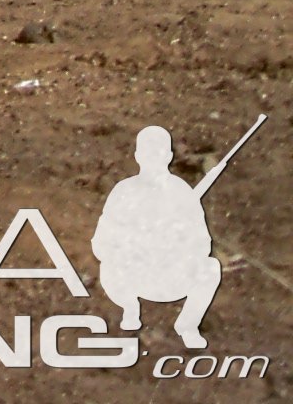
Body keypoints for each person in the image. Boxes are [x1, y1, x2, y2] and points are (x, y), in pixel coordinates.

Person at [92, 125, 225, 350]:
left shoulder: (181, 192)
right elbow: (101, 242)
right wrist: (133, 244)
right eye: (148, 153)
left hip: (170, 274)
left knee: (210, 268)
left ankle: (188, 325)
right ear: (138, 156)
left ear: (169, 156)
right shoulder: (124, 191)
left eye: (159, 153)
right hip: (132, 275)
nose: (153, 159)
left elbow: (202, 243)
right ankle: (130, 309)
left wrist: (177, 241)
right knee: (109, 267)